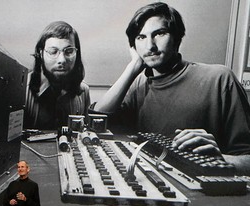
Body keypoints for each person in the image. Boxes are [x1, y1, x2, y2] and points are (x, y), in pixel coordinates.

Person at [91, 2, 250, 175]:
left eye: (159, 33)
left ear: (176, 38)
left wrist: (220, 159)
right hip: (153, 185)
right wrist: (134, 66)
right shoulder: (139, 83)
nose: (150, 46)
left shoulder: (220, 79)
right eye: (141, 37)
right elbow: (97, 120)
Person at [24, 21, 90, 130]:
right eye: (53, 52)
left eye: (69, 51)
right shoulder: (21, 90)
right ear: (40, 54)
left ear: (77, 54)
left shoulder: (84, 91)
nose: (62, 60)